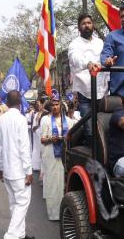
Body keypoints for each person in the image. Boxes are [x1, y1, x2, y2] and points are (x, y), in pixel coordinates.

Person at [0, 90, 34, 239]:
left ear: (8, 103)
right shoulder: (21, 119)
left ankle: (21, 235)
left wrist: (0, 168)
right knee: (22, 204)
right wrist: (28, 171)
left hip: (7, 171)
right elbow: (24, 147)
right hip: (19, 172)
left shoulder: (1, 120)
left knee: (14, 205)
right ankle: (11, 236)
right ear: (19, 103)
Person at [68, 13, 108, 145]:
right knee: (90, 131)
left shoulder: (100, 42)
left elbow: (105, 59)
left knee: (104, 129)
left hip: (102, 91)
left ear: (93, 25)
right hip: (85, 93)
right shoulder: (74, 44)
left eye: (89, 23)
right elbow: (75, 58)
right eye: (83, 23)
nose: (87, 25)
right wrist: (88, 64)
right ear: (79, 27)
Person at [40, 91, 73, 220]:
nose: (55, 107)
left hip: (64, 156)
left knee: (62, 184)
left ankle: (63, 212)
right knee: (52, 184)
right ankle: (53, 213)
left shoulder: (69, 121)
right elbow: (42, 139)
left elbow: (73, 136)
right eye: (52, 105)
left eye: (57, 104)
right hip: (50, 155)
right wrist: (50, 139)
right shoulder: (45, 120)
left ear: (61, 106)